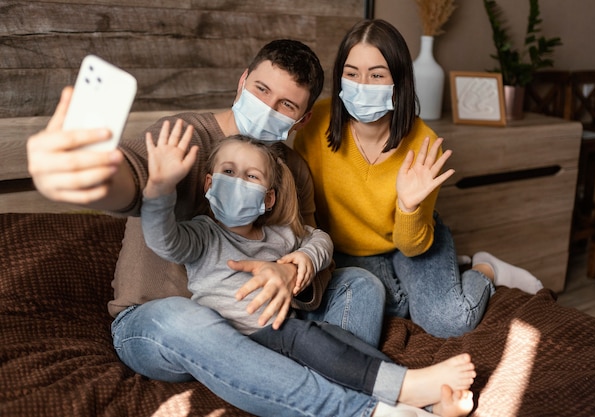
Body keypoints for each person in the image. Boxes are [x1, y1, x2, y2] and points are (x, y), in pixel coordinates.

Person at [26, 39, 395, 417]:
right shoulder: (183, 133)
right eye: (261, 90)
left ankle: (308, 376)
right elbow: (134, 175)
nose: (268, 108)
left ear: (301, 120)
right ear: (242, 82)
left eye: (286, 105)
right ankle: (356, 407)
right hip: (158, 323)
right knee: (185, 316)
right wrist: (91, 175)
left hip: (257, 321)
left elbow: (312, 247)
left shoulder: (292, 170)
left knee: (361, 283)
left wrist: (290, 272)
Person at [140, 128, 476, 415]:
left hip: (284, 329)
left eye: (251, 176)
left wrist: (304, 260)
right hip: (238, 336)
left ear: (268, 199)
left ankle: (429, 404)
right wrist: (159, 190)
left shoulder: (279, 235)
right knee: (312, 340)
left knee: (337, 341)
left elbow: (319, 239)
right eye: (228, 172)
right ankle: (407, 388)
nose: (238, 181)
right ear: (209, 184)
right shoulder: (203, 235)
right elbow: (163, 239)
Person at [294, 19, 544, 339]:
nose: (362, 84)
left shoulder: (423, 142)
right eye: (352, 72)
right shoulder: (316, 126)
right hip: (344, 248)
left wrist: (409, 206)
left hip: (411, 238)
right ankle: (446, 274)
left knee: (450, 320)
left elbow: (412, 246)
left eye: (377, 74)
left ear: (398, 80)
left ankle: (484, 269)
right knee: (390, 309)